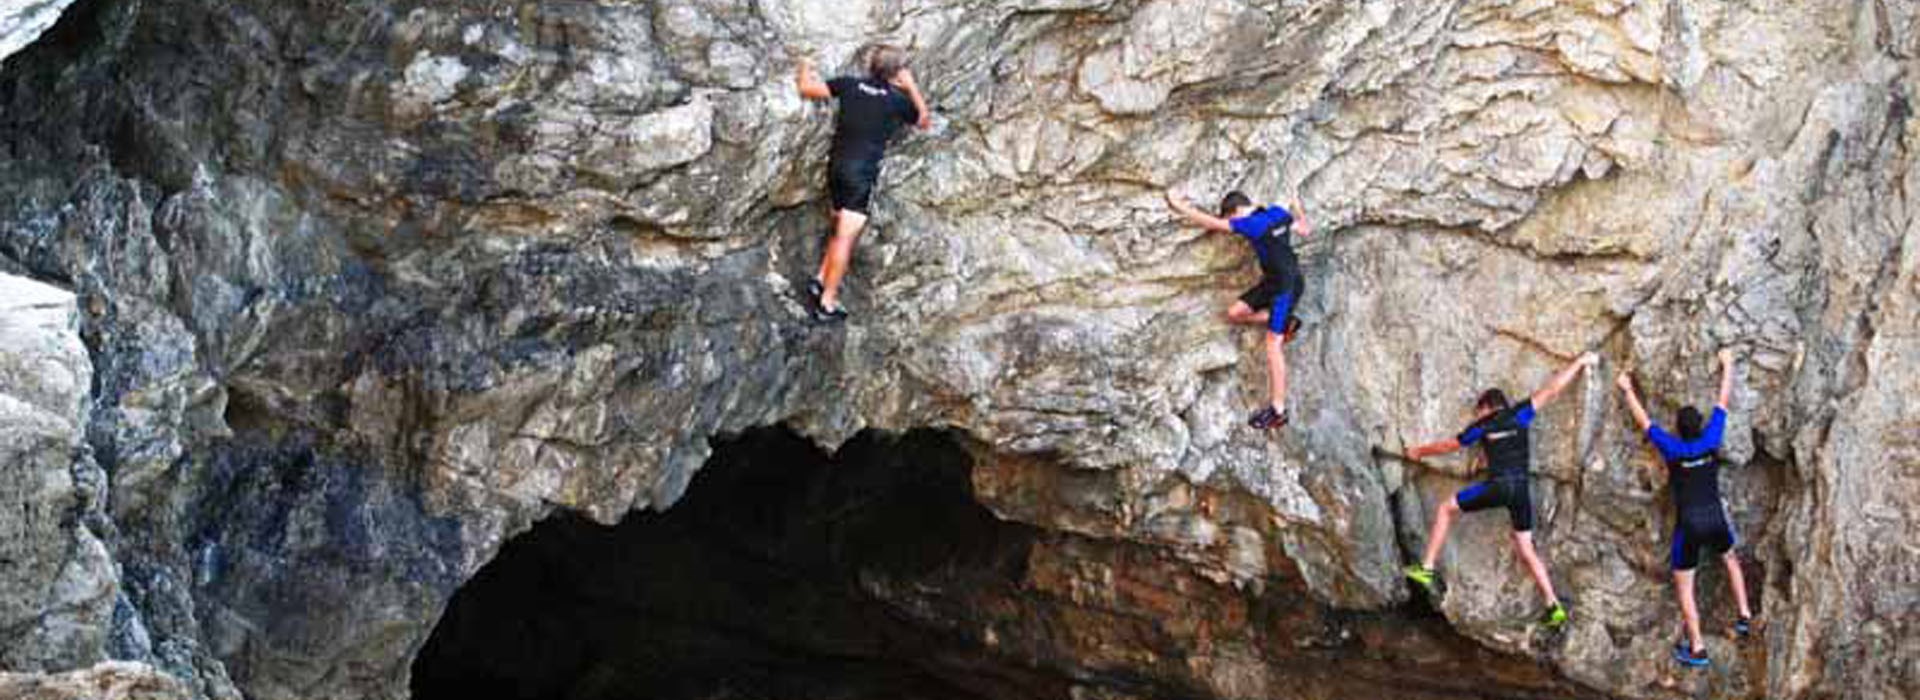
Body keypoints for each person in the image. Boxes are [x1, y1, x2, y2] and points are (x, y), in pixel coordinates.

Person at [1401, 352, 1598, 630]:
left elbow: (1452, 445)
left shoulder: (1483, 425)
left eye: (1477, 411)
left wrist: (1418, 452)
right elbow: (1553, 390)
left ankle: (1427, 567)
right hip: (1521, 491)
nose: (1476, 416)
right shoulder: (1521, 413)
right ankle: (1553, 605)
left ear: (1486, 407)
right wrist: (1580, 362)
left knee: (1446, 508)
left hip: (1499, 486)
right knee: (1526, 548)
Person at [1615, 349, 1755, 668]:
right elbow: (1723, 402)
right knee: (1730, 560)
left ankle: (1697, 648)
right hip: (1715, 518)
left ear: (1678, 428)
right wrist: (1728, 365)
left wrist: (1627, 389)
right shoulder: (1710, 442)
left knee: (1685, 587)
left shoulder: (1673, 448)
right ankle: (1744, 614)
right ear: (1700, 426)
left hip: (1689, 525)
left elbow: (1645, 422)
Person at [793, 44, 932, 322]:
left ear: (870, 66)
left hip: (837, 167)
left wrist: (805, 64)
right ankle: (827, 303)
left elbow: (806, 88)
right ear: (897, 74)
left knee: (838, 227)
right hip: (861, 175)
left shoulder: (850, 85)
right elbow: (924, 120)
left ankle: (820, 279)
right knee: (847, 237)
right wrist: (912, 87)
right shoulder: (897, 101)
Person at [1164, 189, 1312, 429]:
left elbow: (1214, 223)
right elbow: (1304, 228)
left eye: (1231, 217)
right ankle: (1286, 320)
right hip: (1274, 281)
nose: (1233, 222)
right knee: (1234, 313)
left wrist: (1178, 205)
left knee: (1273, 345)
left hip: (1286, 288)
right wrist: (1296, 203)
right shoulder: (1278, 213)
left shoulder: (1251, 225)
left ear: (1235, 211)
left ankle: (1278, 411)